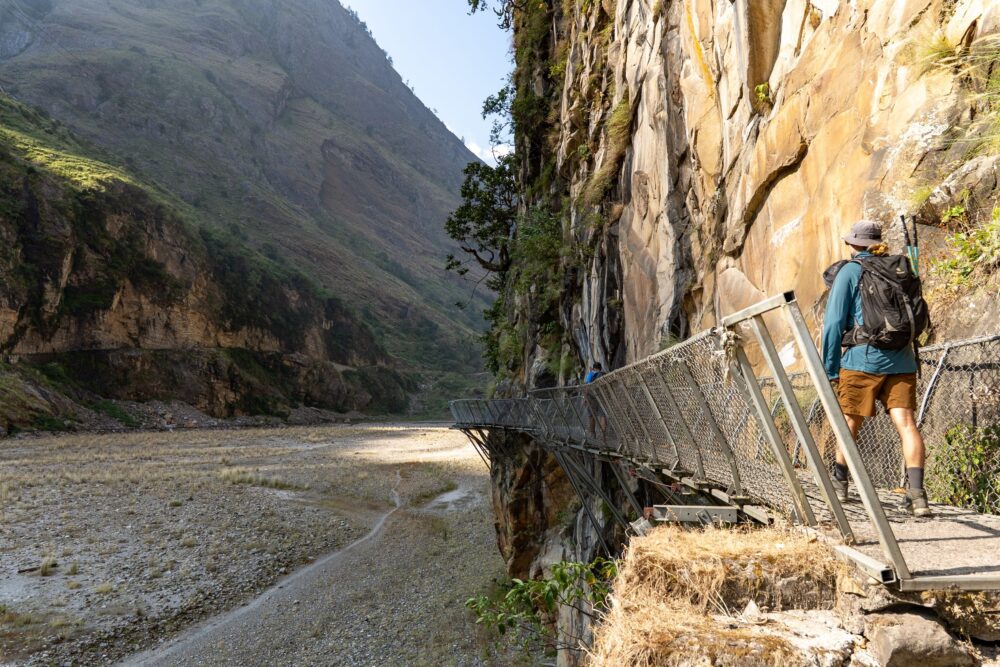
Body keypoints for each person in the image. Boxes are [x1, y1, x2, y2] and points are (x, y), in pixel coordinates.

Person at [821, 220, 931, 517]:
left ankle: (840, 484)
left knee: (849, 423)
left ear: (853, 245)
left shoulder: (850, 272)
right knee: (907, 424)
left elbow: (832, 324)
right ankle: (918, 495)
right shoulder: (899, 269)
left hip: (862, 361)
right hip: (902, 359)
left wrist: (829, 367)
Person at [584, 362, 606, 438]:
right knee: (602, 415)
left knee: (591, 415)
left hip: (591, 397)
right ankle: (603, 435)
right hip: (602, 397)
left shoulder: (591, 374)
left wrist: (585, 398)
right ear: (600, 368)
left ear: (593, 368)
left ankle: (592, 434)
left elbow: (586, 387)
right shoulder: (604, 374)